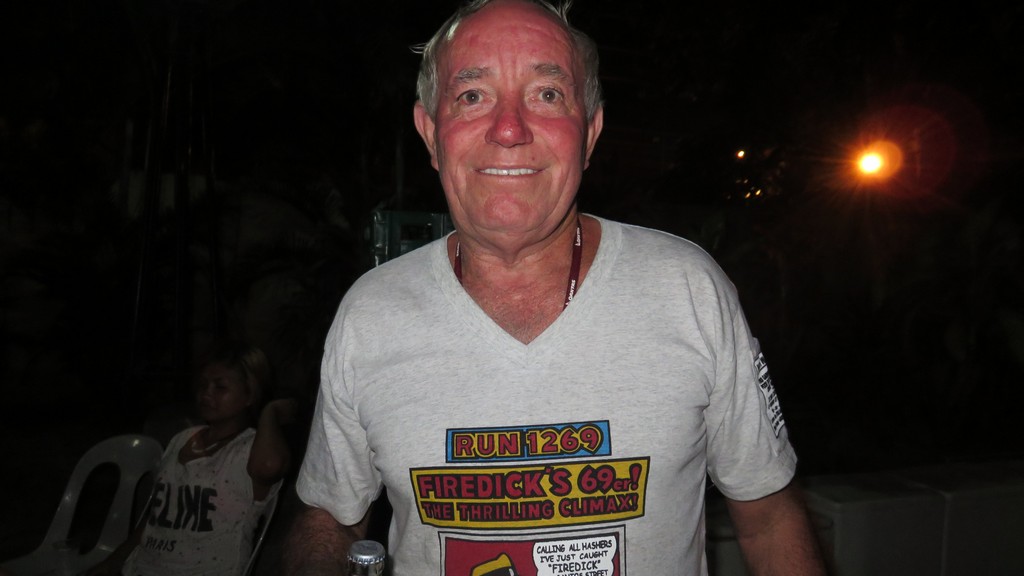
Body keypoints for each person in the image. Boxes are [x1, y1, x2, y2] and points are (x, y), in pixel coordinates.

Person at [286, 0, 826, 574]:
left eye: (547, 94)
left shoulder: (688, 289)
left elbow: (768, 517)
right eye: (472, 95)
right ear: (430, 133)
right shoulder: (371, 314)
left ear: (589, 133)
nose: (509, 129)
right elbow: (331, 516)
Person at [86, 343, 297, 576]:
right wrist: (113, 562)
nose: (206, 393)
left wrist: (269, 413)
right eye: (203, 385)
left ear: (250, 394)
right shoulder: (182, 439)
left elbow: (270, 466)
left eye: (220, 387)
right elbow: (155, 517)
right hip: (142, 567)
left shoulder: (251, 449)